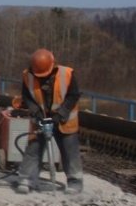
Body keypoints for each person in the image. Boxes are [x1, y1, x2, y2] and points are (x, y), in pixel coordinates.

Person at [14, 48, 84, 195]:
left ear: (53, 65)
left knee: (69, 150)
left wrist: (60, 114)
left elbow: (73, 96)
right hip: (41, 118)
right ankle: (26, 179)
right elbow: (26, 97)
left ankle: (75, 182)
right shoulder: (28, 76)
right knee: (34, 148)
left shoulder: (67, 74)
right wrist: (36, 112)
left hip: (65, 120)